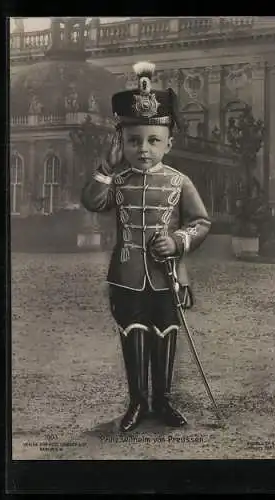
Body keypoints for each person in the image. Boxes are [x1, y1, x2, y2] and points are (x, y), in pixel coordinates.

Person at [81, 61, 211, 432]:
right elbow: (93, 202)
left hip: (167, 275)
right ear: (121, 143)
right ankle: (138, 402)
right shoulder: (117, 179)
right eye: (134, 140)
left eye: (153, 140)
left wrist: (178, 241)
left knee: (166, 332)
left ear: (170, 143)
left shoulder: (179, 181)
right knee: (132, 332)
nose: (143, 148)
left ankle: (164, 402)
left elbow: (201, 223)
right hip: (126, 274)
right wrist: (105, 169)